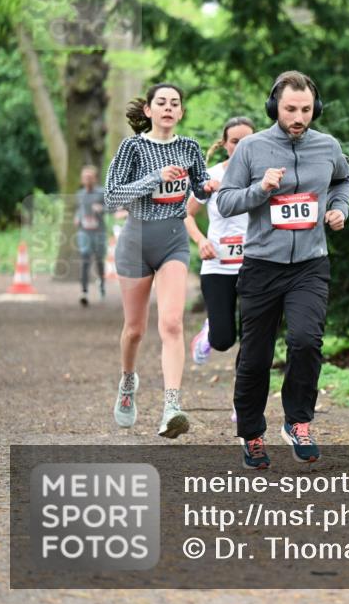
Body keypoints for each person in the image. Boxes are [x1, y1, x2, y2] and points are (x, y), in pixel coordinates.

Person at [218, 70, 349, 470]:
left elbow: (343, 180)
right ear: (274, 106)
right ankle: (252, 433)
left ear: (316, 109)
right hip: (261, 266)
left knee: (306, 341)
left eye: (306, 109)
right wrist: (261, 190)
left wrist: (338, 208)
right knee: (256, 358)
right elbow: (225, 202)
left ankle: (298, 422)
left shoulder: (327, 147)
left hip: (310, 265)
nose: (299, 116)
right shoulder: (252, 149)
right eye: (291, 109)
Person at [104, 83, 215, 438]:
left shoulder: (189, 148)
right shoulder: (132, 148)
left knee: (171, 324)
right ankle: (127, 382)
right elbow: (111, 195)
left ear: (181, 112)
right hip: (135, 243)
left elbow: (199, 188)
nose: (168, 108)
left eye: (175, 103)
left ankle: (172, 407)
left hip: (173, 243)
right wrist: (154, 178)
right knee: (135, 330)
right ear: (149, 111)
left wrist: (208, 187)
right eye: (161, 103)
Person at [184, 116, 256, 424]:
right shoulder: (209, 177)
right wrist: (201, 241)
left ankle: (243, 404)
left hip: (256, 264)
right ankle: (211, 330)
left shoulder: (264, 176)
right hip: (218, 265)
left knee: (254, 340)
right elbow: (186, 215)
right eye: (235, 141)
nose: (240, 147)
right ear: (225, 144)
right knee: (226, 339)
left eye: (247, 141)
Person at [74, 165, 107, 306]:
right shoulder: (79, 194)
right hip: (84, 232)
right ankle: (84, 292)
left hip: (99, 232)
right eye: (85, 177)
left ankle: (101, 284)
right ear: (82, 179)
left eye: (90, 177)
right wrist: (77, 217)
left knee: (99, 260)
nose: (87, 179)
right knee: (85, 259)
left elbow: (112, 208)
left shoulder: (101, 193)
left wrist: (101, 209)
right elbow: (79, 209)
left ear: (95, 179)